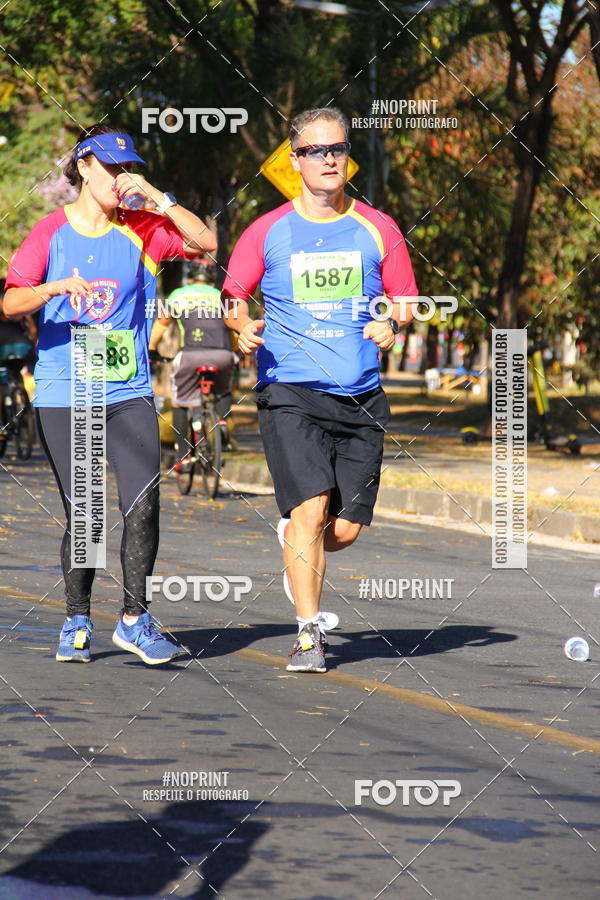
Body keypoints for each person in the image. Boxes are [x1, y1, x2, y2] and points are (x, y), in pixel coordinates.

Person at [4, 124, 217, 665]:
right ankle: (77, 618)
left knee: (144, 502)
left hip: (128, 387)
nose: (122, 177)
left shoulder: (143, 228)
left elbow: (206, 243)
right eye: (112, 167)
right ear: (83, 166)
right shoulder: (51, 232)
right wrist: (52, 288)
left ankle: (134, 621)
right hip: (66, 390)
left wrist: (159, 198)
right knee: (88, 513)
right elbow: (10, 303)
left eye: (128, 168)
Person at [222, 107, 418, 673]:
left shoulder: (378, 227)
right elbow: (233, 296)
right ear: (295, 160)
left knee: (345, 530)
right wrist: (241, 326)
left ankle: (296, 538)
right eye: (315, 151)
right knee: (311, 511)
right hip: (291, 391)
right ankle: (309, 635)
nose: (329, 159)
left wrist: (392, 322)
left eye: (338, 148)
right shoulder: (267, 230)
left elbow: (406, 298)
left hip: (360, 394)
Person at [148, 262, 236, 461]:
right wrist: (233, 352)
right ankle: (222, 422)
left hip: (190, 355)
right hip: (222, 355)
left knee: (179, 401)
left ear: (190, 280)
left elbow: (162, 323)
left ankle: (183, 457)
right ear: (212, 282)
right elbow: (231, 328)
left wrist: (152, 348)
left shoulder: (179, 294)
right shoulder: (220, 295)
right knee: (223, 389)